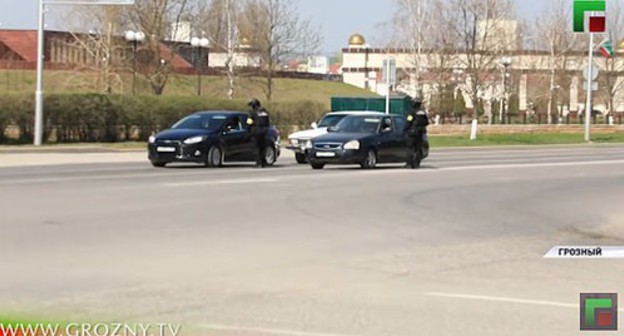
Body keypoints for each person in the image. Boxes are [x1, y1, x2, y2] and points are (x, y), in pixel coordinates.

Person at [404, 97, 429, 168]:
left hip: (412, 132)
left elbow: (409, 121)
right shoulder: (423, 112)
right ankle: (416, 163)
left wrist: (405, 129)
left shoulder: (411, 112)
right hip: (421, 132)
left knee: (410, 148)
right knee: (418, 148)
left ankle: (409, 164)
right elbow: (426, 122)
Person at [246, 99, 271, 168]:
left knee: (256, 148)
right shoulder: (265, 112)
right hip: (264, 132)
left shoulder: (252, 113)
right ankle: (264, 162)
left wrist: (248, 131)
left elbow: (249, 122)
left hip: (255, 131)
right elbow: (268, 122)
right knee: (263, 147)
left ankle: (259, 163)